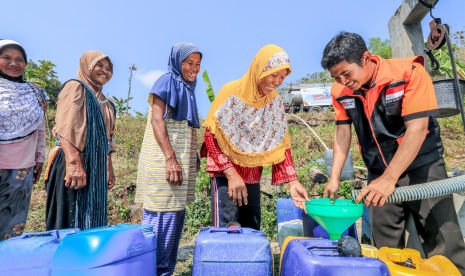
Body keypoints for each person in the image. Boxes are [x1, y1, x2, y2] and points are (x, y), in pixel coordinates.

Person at [321, 31, 465, 273]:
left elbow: (417, 129)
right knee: (384, 249)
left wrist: (390, 179)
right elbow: (342, 133)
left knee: (444, 242)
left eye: (346, 73)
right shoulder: (341, 92)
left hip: (423, 168)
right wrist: (334, 177)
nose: (343, 82)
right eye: (337, 77)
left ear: (366, 58)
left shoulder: (408, 73)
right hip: (378, 172)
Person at [201, 45, 310, 230]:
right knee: (228, 227)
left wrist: (293, 181)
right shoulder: (231, 92)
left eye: (282, 77)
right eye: (273, 74)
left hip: (252, 173)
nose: (277, 81)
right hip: (225, 173)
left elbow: (280, 144)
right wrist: (231, 174)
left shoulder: (274, 101)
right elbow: (211, 135)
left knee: (252, 226)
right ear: (259, 70)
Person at [135, 42, 201, 276]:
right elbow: (157, 120)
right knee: (160, 215)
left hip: (180, 162)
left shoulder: (189, 88)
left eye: (197, 64)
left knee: (174, 215)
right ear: (177, 62)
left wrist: (193, 156)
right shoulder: (166, 81)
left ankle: (165, 271)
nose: (194, 68)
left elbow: (187, 126)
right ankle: (149, 270)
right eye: (188, 63)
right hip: (165, 161)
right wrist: (170, 159)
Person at [44, 51, 116, 231]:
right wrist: (74, 164)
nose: (104, 71)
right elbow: (65, 128)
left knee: (92, 219)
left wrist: (108, 168)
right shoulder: (75, 88)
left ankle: (86, 259)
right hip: (71, 161)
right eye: (99, 66)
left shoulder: (108, 104)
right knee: (67, 222)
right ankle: (63, 258)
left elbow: (107, 140)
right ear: (87, 66)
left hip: (95, 167)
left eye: (109, 68)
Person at [0, 39, 48, 241]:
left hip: (23, 167)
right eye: (6, 58)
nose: (14, 63)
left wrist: (39, 159)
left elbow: (40, 128)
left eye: (19, 59)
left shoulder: (35, 92)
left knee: (13, 226)